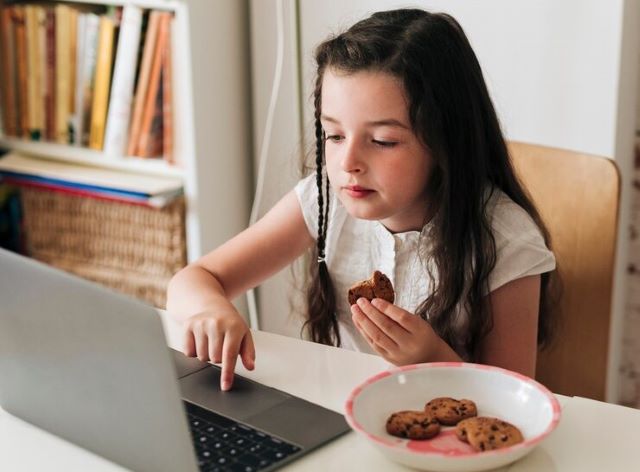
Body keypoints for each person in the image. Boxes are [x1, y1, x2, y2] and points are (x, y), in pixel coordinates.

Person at [166, 8, 557, 391]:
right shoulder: (325, 200)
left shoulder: (507, 244)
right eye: (334, 136)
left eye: (383, 141)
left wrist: (433, 360)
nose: (348, 163)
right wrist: (209, 311)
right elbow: (195, 279)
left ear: (445, 142)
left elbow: (512, 405)